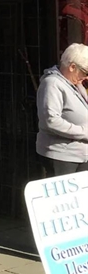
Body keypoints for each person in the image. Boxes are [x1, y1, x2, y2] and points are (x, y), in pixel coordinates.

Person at [36, 43, 88, 175]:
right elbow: (51, 121)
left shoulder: (74, 84)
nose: (86, 77)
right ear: (72, 67)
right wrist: (83, 132)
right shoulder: (52, 84)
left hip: (80, 154)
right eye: (85, 72)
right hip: (62, 155)